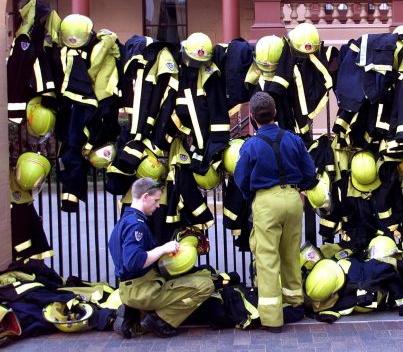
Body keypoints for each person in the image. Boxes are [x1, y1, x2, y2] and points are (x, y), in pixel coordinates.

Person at [234, 91, 317, 332]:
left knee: (267, 258)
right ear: (275, 113)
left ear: (252, 117)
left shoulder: (251, 145)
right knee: (291, 253)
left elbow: (241, 179)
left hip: (266, 201)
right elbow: (309, 173)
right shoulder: (293, 139)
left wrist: (255, 195)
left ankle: (271, 318)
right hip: (292, 199)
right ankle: (295, 304)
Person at [108, 177, 215, 338]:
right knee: (206, 285)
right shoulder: (136, 225)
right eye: (156, 200)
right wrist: (163, 249)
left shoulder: (125, 220)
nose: (158, 205)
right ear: (145, 197)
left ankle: (135, 317)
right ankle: (159, 320)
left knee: (200, 274)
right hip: (144, 290)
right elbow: (134, 262)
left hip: (129, 288)